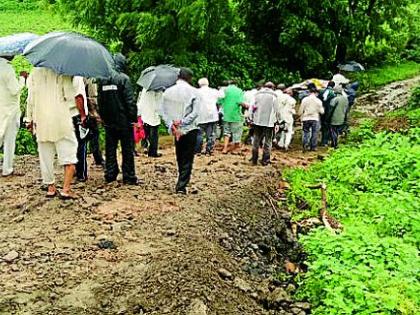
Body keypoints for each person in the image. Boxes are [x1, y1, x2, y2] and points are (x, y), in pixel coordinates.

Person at [26, 67, 82, 198]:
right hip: (61, 118)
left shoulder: (34, 73)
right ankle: (66, 189)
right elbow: (69, 97)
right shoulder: (63, 71)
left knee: (45, 154)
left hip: (42, 119)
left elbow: (30, 99)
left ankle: (51, 188)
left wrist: (29, 119)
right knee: (69, 151)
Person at [97, 53, 138, 185]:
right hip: (124, 121)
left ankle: (110, 173)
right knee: (127, 149)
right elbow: (130, 101)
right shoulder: (124, 79)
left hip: (109, 121)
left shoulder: (102, 79)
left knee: (110, 149)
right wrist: (133, 118)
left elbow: (100, 101)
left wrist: (103, 117)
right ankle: (129, 176)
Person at [161, 68, 199, 194]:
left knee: (179, 154)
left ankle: (181, 179)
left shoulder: (167, 92)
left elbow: (163, 111)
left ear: (178, 77)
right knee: (188, 156)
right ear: (189, 78)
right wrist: (182, 122)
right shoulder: (194, 92)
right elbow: (195, 113)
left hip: (175, 129)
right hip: (189, 129)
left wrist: (171, 124)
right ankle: (182, 185)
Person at [0, 55, 26, 177]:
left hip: (1, 107)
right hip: (10, 110)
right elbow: (15, 90)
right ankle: (7, 168)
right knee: (9, 140)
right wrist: (22, 78)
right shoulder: (7, 68)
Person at [250, 82, 280, 165]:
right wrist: (278, 121)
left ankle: (254, 159)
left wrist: (250, 118)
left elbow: (251, 107)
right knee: (268, 141)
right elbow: (277, 110)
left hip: (257, 121)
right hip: (269, 122)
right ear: (273, 87)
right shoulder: (274, 96)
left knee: (256, 140)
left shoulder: (257, 95)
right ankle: (265, 160)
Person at [195, 77, 224, 155]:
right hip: (212, 116)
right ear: (208, 83)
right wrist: (222, 89)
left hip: (200, 116)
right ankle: (209, 150)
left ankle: (197, 150)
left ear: (199, 84)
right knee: (211, 134)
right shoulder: (213, 91)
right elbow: (222, 95)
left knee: (199, 134)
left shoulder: (196, 92)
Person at [68, 77, 88, 182]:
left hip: (65, 114)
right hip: (76, 114)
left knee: (69, 145)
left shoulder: (61, 76)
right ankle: (81, 173)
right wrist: (83, 115)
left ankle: (71, 171)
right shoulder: (77, 77)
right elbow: (79, 97)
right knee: (81, 144)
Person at [218, 80, 247, 154]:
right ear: (236, 84)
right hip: (235, 115)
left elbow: (219, 102)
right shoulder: (239, 91)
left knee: (226, 132)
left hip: (226, 114)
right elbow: (240, 102)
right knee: (236, 132)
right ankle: (235, 149)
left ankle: (224, 148)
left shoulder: (224, 90)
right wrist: (246, 106)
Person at [136, 89, 163, 157]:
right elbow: (159, 105)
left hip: (145, 114)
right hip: (153, 115)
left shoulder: (144, 90)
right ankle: (152, 152)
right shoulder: (158, 90)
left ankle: (145, 148)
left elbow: (140, 103)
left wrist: (139, 113)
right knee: (154, 135)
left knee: (146, 133)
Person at [85, 78, 105, 167]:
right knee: (94, 134)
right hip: (89, 111)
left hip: (77, 110)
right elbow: (92, 97)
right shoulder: (89, 79)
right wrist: (96, 111)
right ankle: (97, 157)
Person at [299, 84, 324, 152]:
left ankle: (305, 145)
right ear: (315, 93)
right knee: (314, 133)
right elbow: (322, 111)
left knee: (306, 132)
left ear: (309, 92)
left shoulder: (305, 99)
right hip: (315, 118)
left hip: (306, 118)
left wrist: (300, 115)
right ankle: (313, 147)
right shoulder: (318, 101)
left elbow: (301, 109)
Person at [318, 81, 336, 146]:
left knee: (323, 125)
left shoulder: (321, 91)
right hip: (329, 112)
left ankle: (322, 139)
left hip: (322, 111)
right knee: (328, 126)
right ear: (333, 86)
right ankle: (325, 141)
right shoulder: (333, 93)